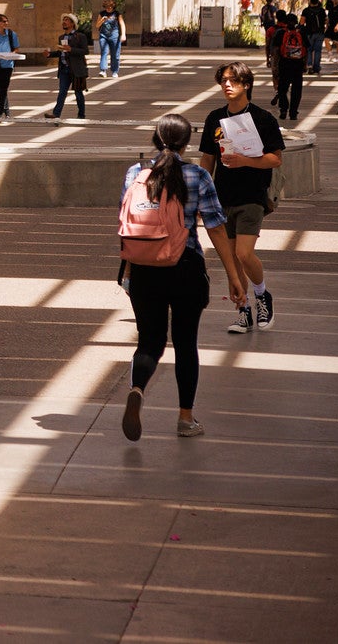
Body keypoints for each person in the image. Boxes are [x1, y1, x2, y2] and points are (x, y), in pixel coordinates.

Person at [118, 114, 246, 442]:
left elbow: (128, 226)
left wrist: (129, 270)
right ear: (187, 143)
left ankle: (136, 389)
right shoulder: (198, 175)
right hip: (186, 268)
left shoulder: (136, 173)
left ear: (155, 139)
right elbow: (216, 228)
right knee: (186, 343)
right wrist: (234, 276)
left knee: (149, 341)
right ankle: (185, 419)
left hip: (145, 269)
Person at [199, 63, 284, 334]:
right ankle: (243, 311)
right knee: (232, 263)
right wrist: (201, 194)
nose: (227, 85)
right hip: (222, 197)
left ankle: (262, 295)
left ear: (246, 84)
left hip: (252, 196)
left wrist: (244, 161)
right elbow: (207, 160)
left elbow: (275, 159)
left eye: (233, 80)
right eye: (223, 80)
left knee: (243, 254)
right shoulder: (214, 118)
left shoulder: (263, 118)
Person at [48, 12, 90, 119]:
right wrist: (50, 54)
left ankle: (81, 115)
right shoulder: (61, 37)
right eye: (63, 20)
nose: (64, 22)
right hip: (64, 69)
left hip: (76, 70)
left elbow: (85, 51)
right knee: (62, 92)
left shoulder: (80, 36)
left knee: (78, 93)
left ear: (72, 23)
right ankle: (56, 114)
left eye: (66, 20)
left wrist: (71, 49)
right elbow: (61, 52)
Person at [272, 10, 307, 122]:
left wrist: (275, 66)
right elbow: (305, 51)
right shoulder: (301, 33)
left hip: (284, 65)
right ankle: (293, 112)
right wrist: (305, 65)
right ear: (296, 22)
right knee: (297, 90)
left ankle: (283, 109)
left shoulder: (280, 33)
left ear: (286, 22)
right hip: (298, 66)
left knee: (282, 89)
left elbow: (276, 51)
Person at [95, 0, 124, 80]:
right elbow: (97, 26)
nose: (108, 9)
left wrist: (123, 34)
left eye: (110, 7)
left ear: (113, 7)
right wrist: (102, 20)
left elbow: (122, 24)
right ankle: (103, 70)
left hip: (115, 36)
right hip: (103, 35)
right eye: (107, 7)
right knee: (104, 52)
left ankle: (115, 71)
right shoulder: (102, 14)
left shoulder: (117, 14)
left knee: (115, 54)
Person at [301, 0, 327, 76]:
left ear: (310, 1)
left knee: (309, 50)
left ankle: (309, 66)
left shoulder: (306, 10)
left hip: (309, 33)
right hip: (320, 33)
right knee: (318, 50)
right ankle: (316, 67)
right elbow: (326, 21)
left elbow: (302, 22)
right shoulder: (322, 10)